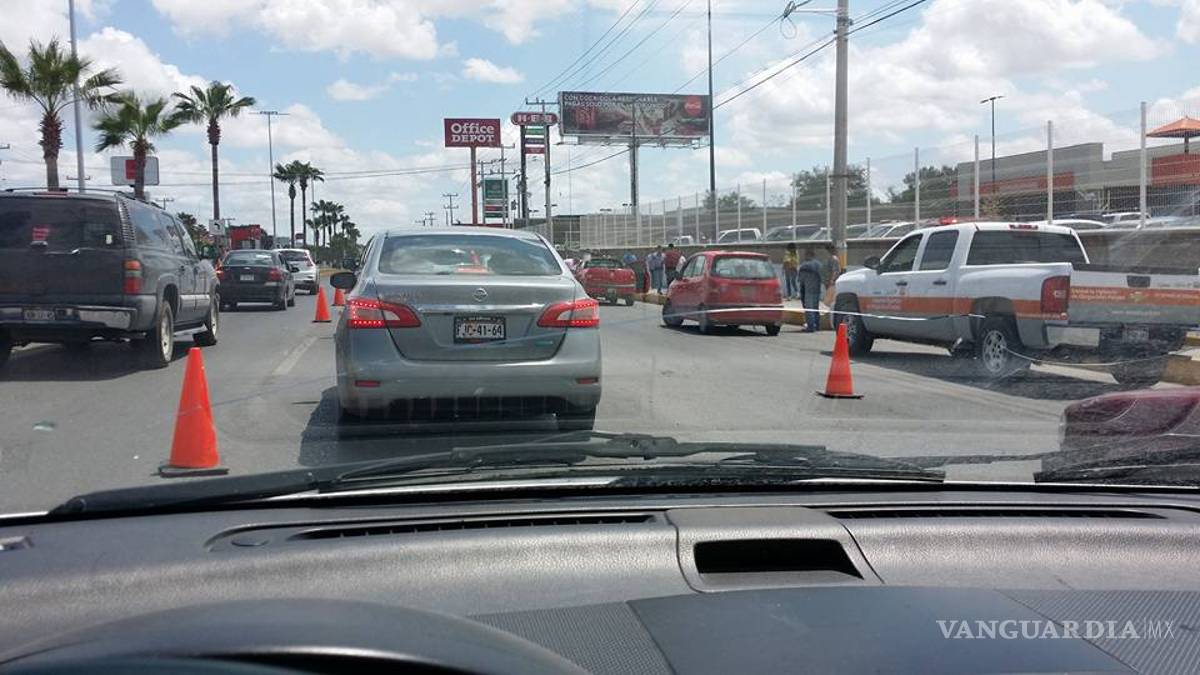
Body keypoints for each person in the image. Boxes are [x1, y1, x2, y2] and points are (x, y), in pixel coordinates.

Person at [797, 248, 823, 333]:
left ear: (808, 255)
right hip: (817, 289)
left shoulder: (804, 265)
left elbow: (801, 279)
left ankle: (811, 327)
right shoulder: (819, 265)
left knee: (809, 309)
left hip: (807, 290)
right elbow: (822, 277)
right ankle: (817, 325)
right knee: (816, 308)